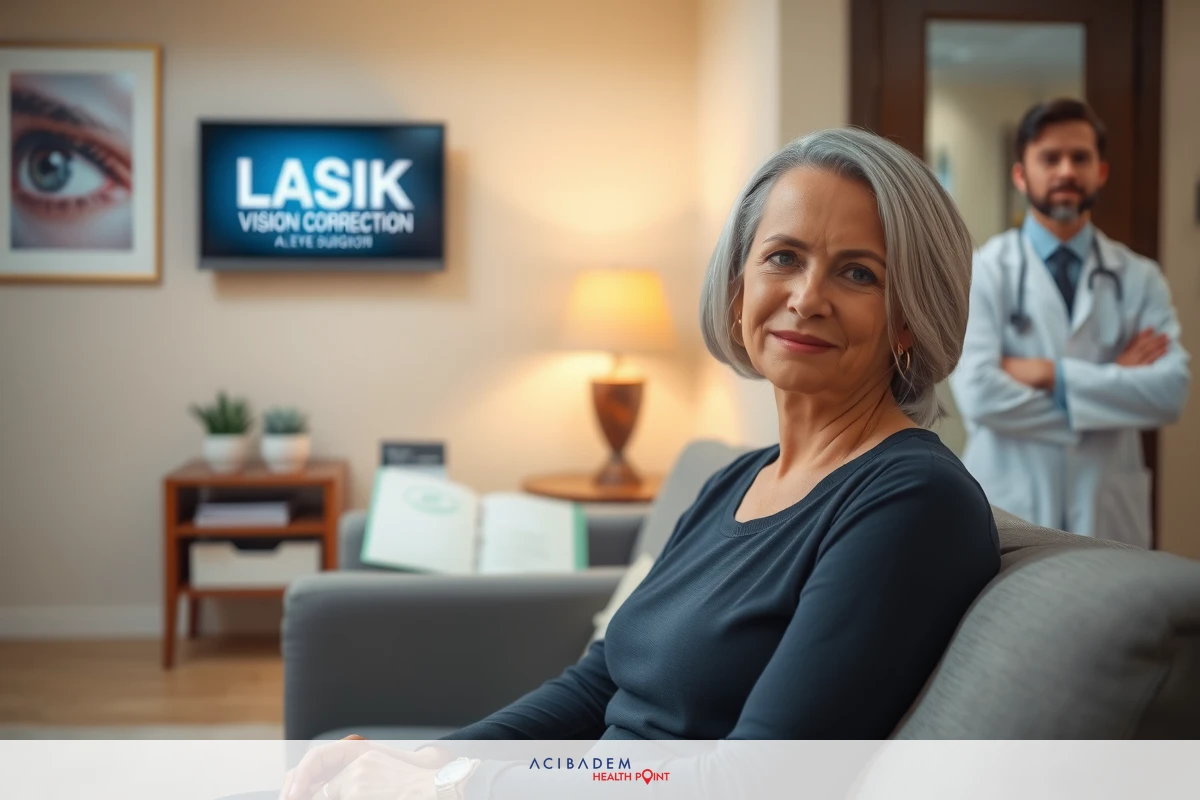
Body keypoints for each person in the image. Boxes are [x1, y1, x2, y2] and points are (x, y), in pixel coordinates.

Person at [281, 128, 1000, 799]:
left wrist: (462, 786)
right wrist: (432, 759)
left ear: (908, 318)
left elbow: (755, 780)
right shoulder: (735, 481)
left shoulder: (912, 500)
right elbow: (598, 685)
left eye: (858, 273)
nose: (807, 298)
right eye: (783, 258)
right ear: (738, 288)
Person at [949, 99, 1190, 547]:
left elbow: (1170, 393)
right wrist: (1113, 387)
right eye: (1050, 158)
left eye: (1080, 157)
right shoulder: (986, 270)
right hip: (1010, 505)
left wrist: (1050, 375)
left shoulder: (1138, 277)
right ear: (1020, 175)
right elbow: (978, 394)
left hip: (1106, 513)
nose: (1066, 171)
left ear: (1101, 171)